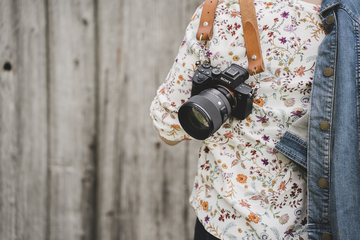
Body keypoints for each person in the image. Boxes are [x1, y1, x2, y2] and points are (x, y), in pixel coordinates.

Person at [150, 0, 360, 239]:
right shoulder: (348, 21)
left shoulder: (218, 12)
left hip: (224, 224)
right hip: (315, 229)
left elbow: (167, 127)